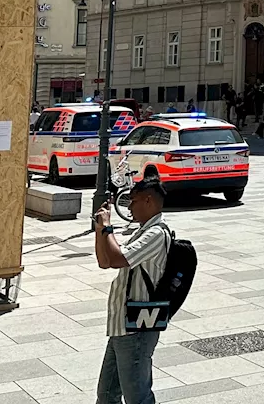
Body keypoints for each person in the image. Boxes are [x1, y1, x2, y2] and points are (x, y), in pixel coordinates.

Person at [93, 170, 170, 404]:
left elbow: (118, 259)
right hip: (121, 326)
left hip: (136, 329)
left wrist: (108, 228)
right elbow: (105, 262)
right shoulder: (141, 231)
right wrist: (100, 230)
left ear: (148, 200)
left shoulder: (156, 234)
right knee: (107, 395)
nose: (128, 208)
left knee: (138, 397)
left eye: (132, 201)